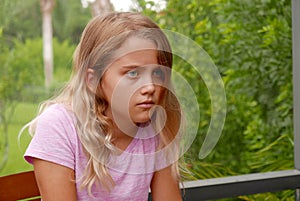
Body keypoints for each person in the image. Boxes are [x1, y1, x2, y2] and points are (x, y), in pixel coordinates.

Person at [23, 12, 183, 201]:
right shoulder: (59, 126)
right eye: (132, 73)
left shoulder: (154, 131)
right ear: (93, 80)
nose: (150, 87)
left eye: (157, 72)